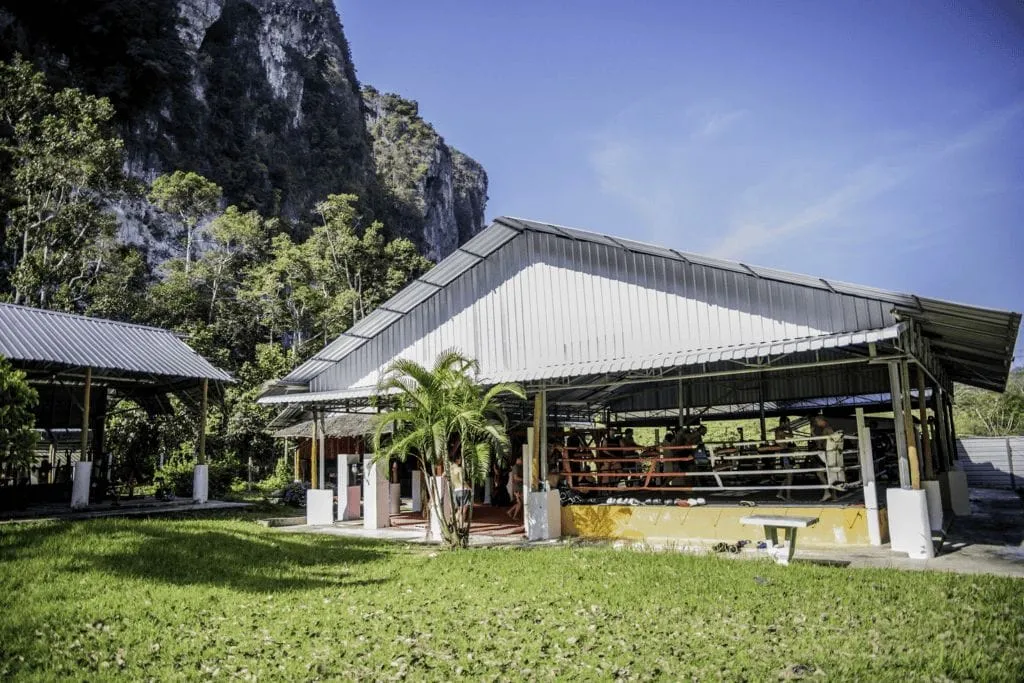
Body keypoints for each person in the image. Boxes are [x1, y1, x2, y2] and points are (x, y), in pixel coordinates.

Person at [773, 417, 794, 501]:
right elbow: (791, 436)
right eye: (787, 423)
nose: (788, 425)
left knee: (788, 476)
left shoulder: (779, 430)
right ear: (783, 422)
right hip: (784, 453)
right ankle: (788, 496)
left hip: (785, 453)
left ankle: (780, 493)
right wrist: (790, 429)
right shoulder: (779, 431)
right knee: (790, 476)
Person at [450, 454, 472, 529]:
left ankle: (457, 525)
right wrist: (469, 488)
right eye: (460, 459)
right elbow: (462, 481)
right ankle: (456, 524)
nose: (461, 461)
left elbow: (444, 476)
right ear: (458, 460)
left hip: (456, 491)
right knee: (463, 511)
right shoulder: (459, 469)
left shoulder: (450, 469)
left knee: (459, 509)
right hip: (463, 490)